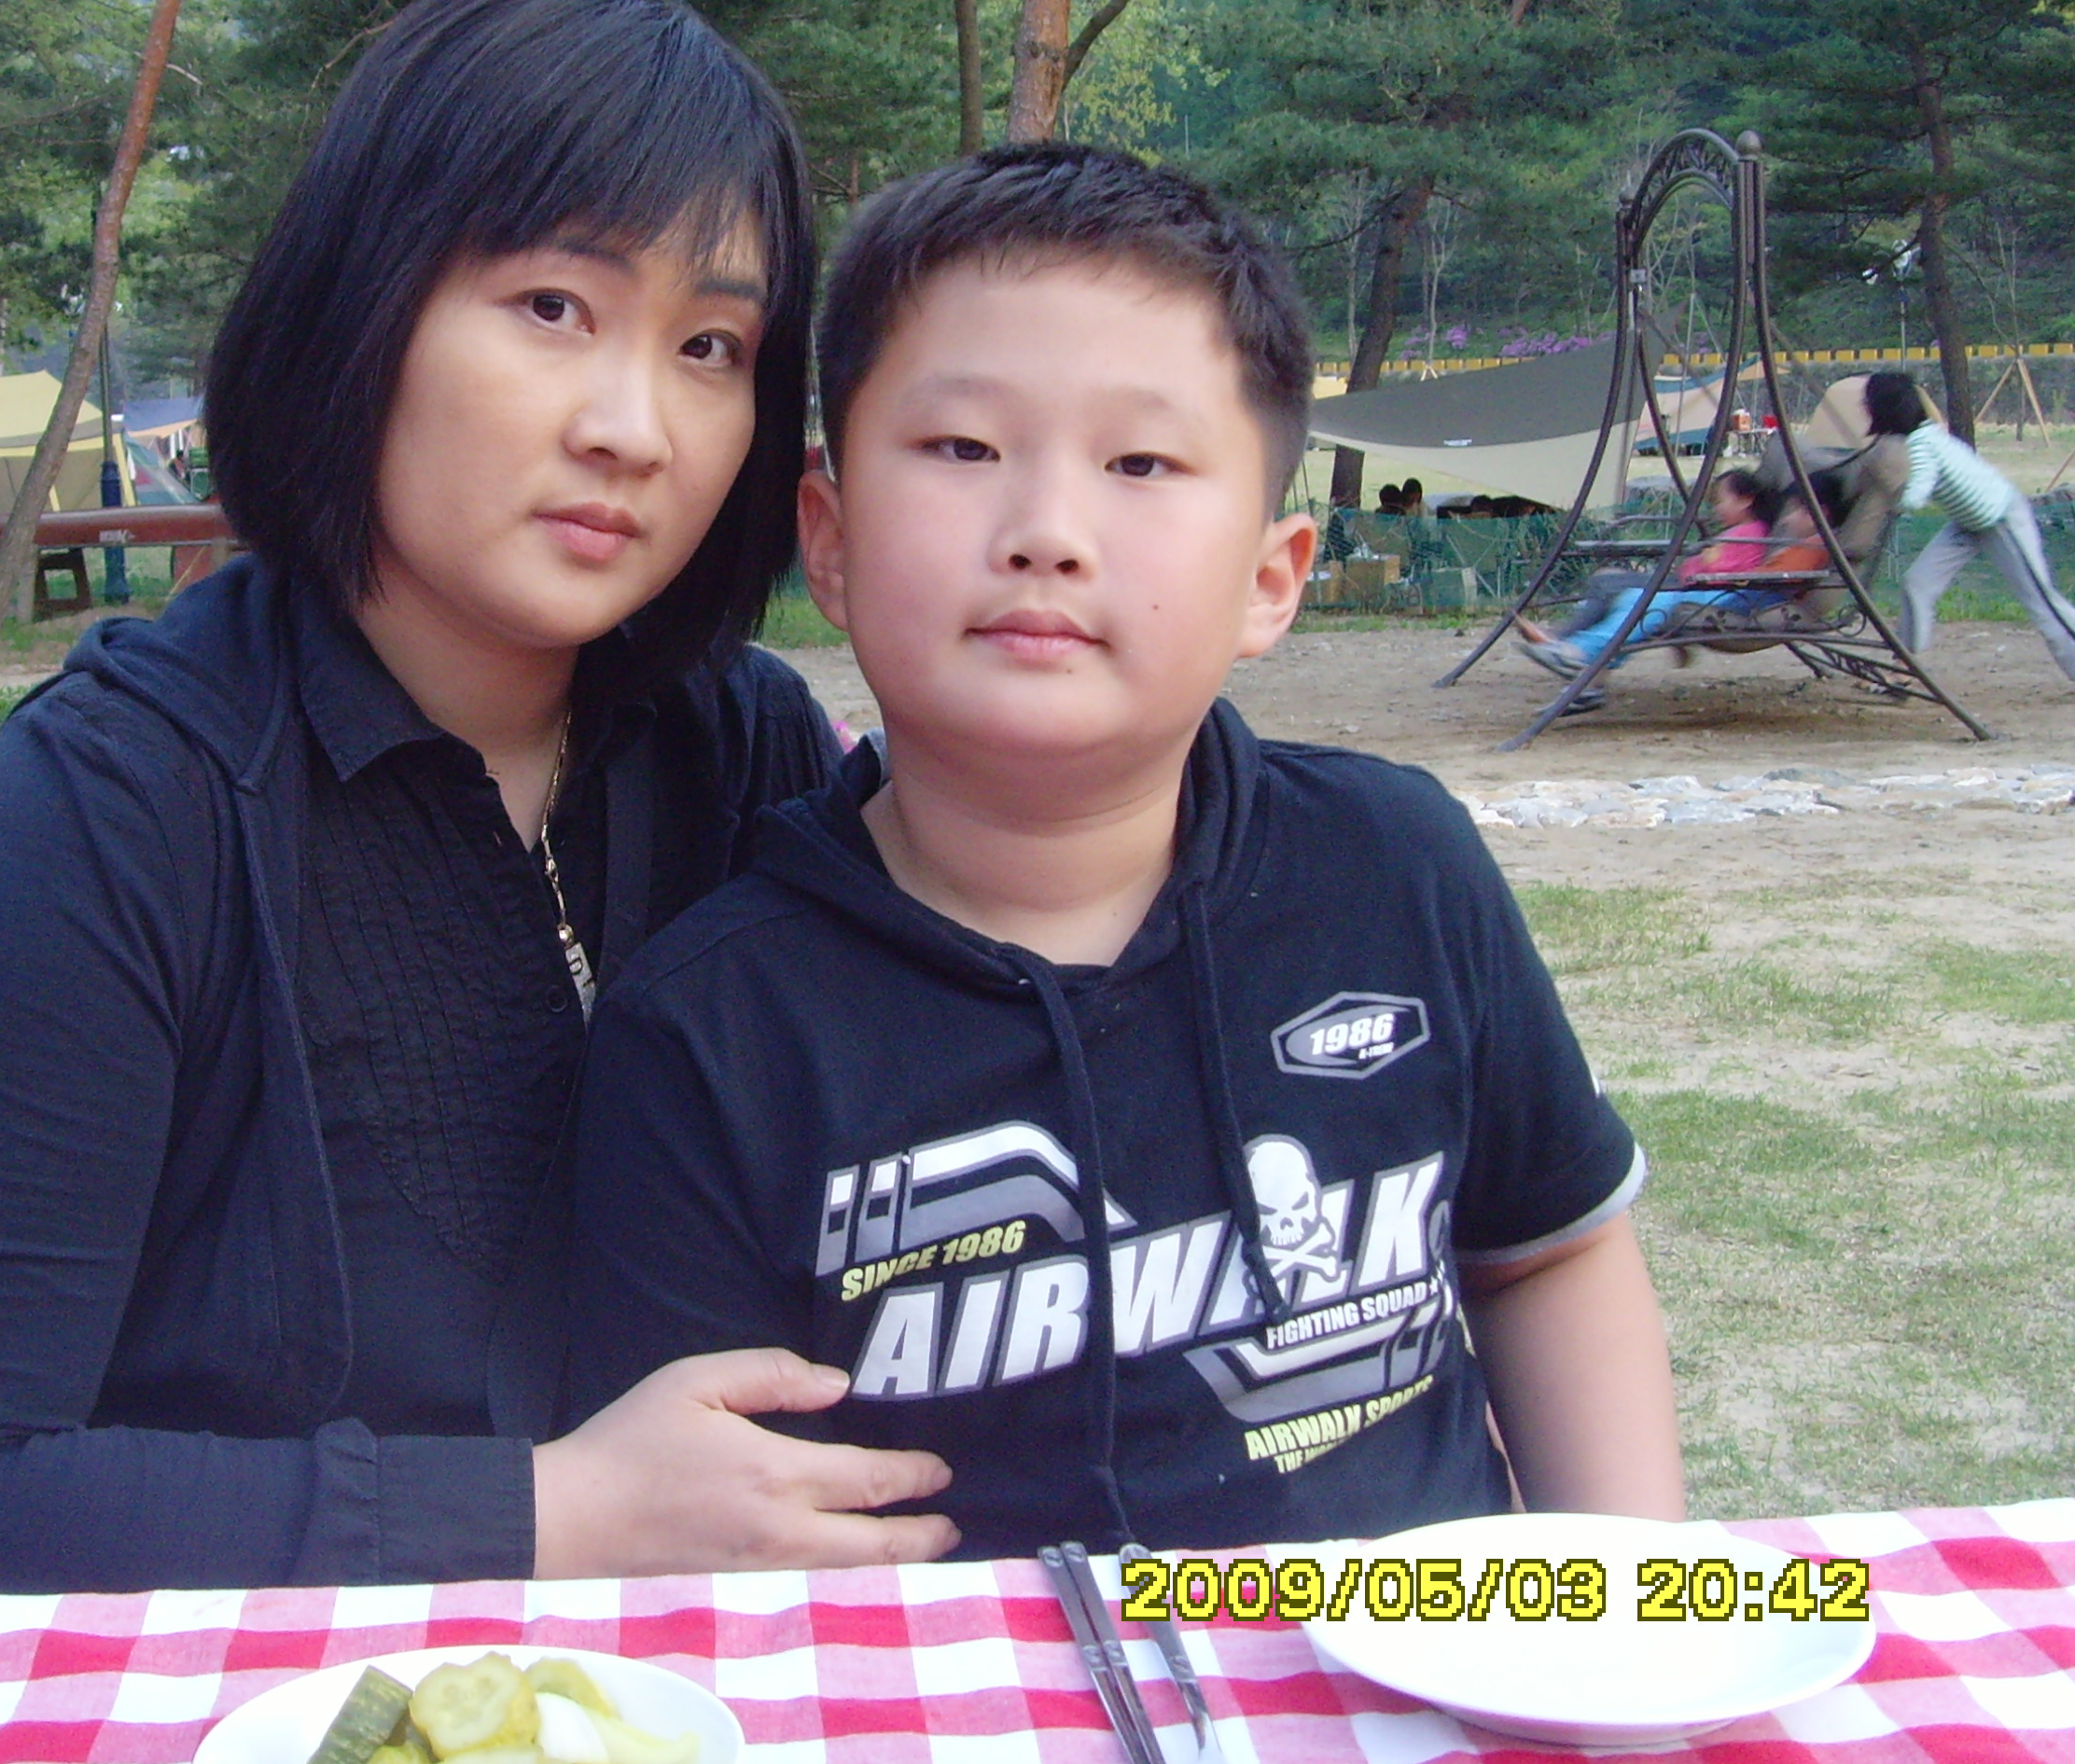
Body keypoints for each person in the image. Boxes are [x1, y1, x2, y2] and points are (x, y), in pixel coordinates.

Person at [0, 0, 958, 1602]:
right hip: (67, 1694)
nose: (634, 426)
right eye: (553, 307)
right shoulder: (126, 798)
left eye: (710, 344)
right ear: (365, 301)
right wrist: (549, 1514)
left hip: (570, 1702)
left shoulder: (738, 747)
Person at [563, 143, 1683, 1557]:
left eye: (1141, 462)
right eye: (964, 450)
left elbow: (1548, 1256)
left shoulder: (1398, 869)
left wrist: (1629, 1596)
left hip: (1413, 1658)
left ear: (1271, 580)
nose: (1048, 532)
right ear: (828, 541)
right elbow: (695, 1521)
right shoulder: (710, 1029)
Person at [1865, 370, 2075, 702]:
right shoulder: (1920, 437)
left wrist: (1884, 492)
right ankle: (1903, 670)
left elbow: (1915, 498)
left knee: (2041, 600)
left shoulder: (1923, 444)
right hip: (1968, 521)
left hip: (2002, 518)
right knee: (1917, 583)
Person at [1516, 467, 1803, 680]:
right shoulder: (1741, 534)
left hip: (1705, 591)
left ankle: (1572, 649)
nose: (1716, 508)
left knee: (1631, 595)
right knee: (1627, 595)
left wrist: (1699, 561)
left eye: (1720, 500)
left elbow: (1716, 568)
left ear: (1745, 501)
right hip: (1700, 588)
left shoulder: (1751, 535)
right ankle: (1580, 660)